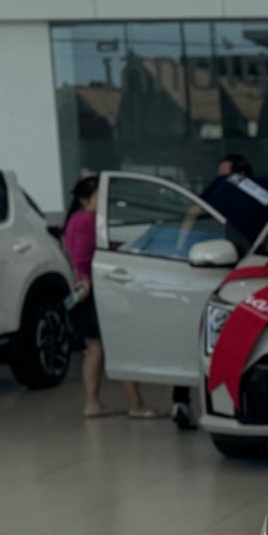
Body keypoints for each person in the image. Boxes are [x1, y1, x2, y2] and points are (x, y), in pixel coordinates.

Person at [61, 176, 160, 419]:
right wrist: (85, 279)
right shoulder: (87, 221)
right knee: (119, 346)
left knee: (94, 349)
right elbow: (82, 256)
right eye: (100, 195)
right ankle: (136, 404)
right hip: (95, 291)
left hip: (85, 293)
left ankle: (93, 403)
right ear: (85, 199)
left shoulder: (75, 220)